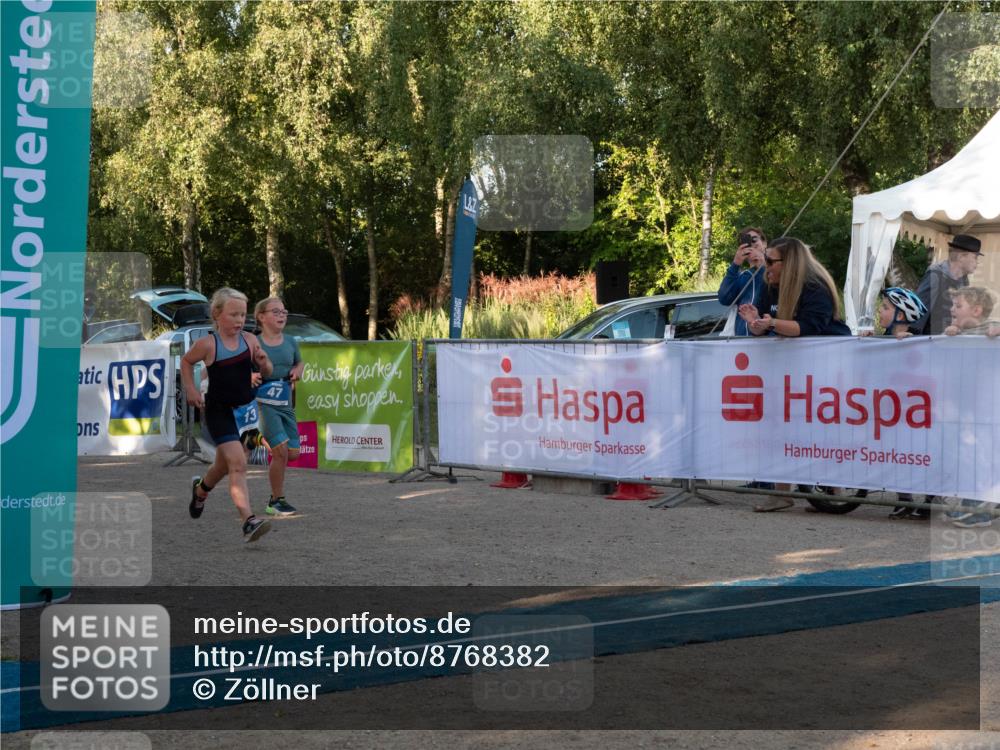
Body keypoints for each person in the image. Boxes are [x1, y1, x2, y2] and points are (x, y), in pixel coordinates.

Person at [737, 237, 851, 512]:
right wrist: (755, 323)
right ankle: (781, 492)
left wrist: (772, 323)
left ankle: (833, 490)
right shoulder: (769, 285)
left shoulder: (815, 287)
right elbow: (764, 324)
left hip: (827, 366)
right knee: (781, 424)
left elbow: (810, 327)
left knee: (823, 426)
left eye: (772, 261)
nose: (767, 266)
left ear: (789, 263)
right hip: (790, 368)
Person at [182, 288, 274, 543]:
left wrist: (264, 362)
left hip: (246, 413)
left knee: (224, 465)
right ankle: (248, 521)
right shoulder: (208, 344)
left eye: (243, 315)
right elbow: (186, 362)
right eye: (233, 314)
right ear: (217, 314)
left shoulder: (250, 341)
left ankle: (200, 491)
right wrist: (191, 388)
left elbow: (266, 371)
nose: (239, 320)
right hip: (219, 412)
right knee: (238, 463)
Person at [858, 287, 928, 518]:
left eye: (886, 307)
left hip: (913, 411)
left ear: (900, 315)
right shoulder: (883, 338)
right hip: (890, 409)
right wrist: (867, 342)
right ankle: (904, 499)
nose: (880, 310)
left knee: (917, 453)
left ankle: (931, 499)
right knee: (897, 453)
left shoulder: (917, 341)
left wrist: (908, 344)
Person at [253, 296, 304, 517]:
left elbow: (299, 362)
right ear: (261, 317)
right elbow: (239, 367)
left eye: (284, 312)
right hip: (262, 401)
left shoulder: (291, 341)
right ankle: (276, 500)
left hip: (284, 400)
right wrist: (250, 375)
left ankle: (254, 439)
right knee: (280, 451)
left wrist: (299, 370)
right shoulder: (253, 342)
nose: (282, 315)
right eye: (276, 312)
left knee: (292, 453)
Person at [914, 233, 982, 334]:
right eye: (975, 257)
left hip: (948, 339)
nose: (977, 262)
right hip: (929, 342)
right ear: (961, 257)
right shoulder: (936, 275)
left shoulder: (964, 280)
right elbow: (918, 311)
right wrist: (914, 342)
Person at [717, 227, 767, 336]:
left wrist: (763, 265)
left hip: (768, 340)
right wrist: (736, 263)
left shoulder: (776, 271)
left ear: (764, 243)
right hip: (744, 342)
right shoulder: (743, 277)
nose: (752, 245)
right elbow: (724, 299)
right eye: (747, 242)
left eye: (754, 240)